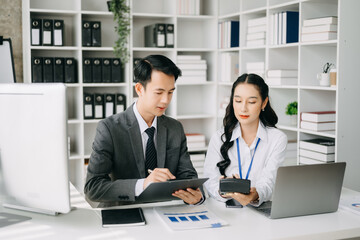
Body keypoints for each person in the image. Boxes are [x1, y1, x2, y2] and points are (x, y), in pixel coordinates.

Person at [84, 55, 203, 207]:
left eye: (170, 92)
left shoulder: (175, 128)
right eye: (159, 92)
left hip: (164, 211)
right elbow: (93, 188)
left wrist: (195, 196)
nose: (166, 100)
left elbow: (188, 176)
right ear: (140, 89)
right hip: (123, 211)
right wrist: (143, 184)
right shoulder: (110, 128)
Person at [204, 73, 287, 207]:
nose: (243, 108)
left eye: (251, 102)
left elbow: (269, 181)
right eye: (238, 101)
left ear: (263, 103)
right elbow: (209, 180)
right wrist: (222, 190)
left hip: (258, 211)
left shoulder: (277, 139)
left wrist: (255, 194)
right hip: (224, 211)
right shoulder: (219, 137)